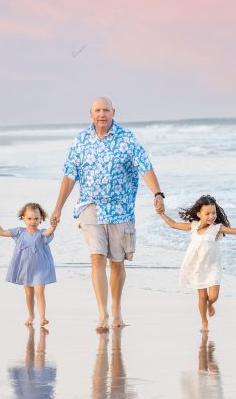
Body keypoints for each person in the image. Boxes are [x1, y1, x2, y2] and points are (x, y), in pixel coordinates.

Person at [51, 96, 165, 330]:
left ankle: (116, 310)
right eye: (97, 110)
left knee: (116, 262)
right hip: (89, 206)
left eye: (106, 110)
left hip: (120, 209)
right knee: (96, 257)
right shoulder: (81, 140)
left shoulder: (127, 139)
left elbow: (145, 167)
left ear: (114, 112)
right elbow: (69, 175)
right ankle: (102, 314)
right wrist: (58, 207)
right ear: (90, 114)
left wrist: (157, 193)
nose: (101, 114)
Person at [157, 194, 236, 332]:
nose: (212, 216)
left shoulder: (217, 228)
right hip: (197, 266)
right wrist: (162, 214)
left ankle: (210, 304)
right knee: (202, 296)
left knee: (213, 296)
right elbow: (173, 224)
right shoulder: (193, 226)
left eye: (214, 213)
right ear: (199, 214)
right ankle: (204, 321)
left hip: (212, 266)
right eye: (208, 213)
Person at [0, 202, 57, 327]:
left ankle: (42, 317)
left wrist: (54, 225)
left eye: (36, 218)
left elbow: (49, 232)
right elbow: (2, 232)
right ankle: (31, 315)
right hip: (26, 269)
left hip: (40, 269)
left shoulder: (41, 233)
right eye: (29, 218)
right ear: (23, 218)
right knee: (29, 293)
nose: (33, 221)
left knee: (39, 290)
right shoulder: (19, 232)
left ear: (41, 219)